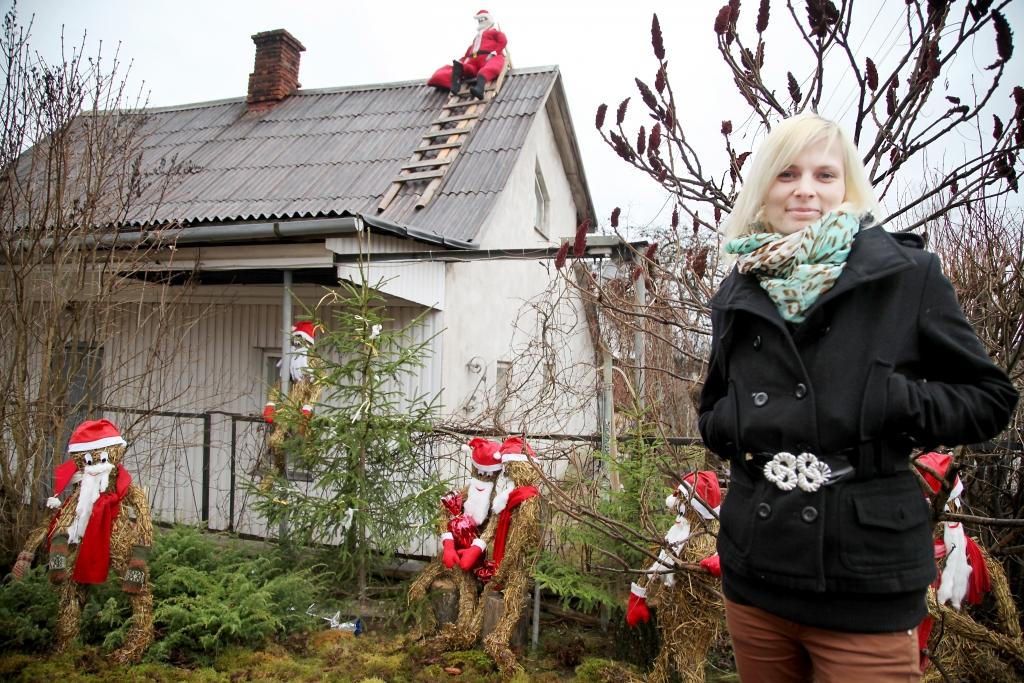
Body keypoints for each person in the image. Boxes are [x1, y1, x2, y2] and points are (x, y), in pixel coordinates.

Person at [696, 112, 1018, 682]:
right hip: (757, 569)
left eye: (825, 175)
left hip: (865, 578)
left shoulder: (905, 275)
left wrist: (892, 402)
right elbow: (713, 409)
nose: (805, 190)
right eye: (787, 174)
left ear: (846, 187)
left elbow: (990, 398)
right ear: (763, 187)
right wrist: (735, 423)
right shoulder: (738, 288)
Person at [427, 10, 507, 99]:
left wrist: (495, 52)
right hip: (473, 63)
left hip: (487, 58)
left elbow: (503, 40)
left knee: (492, 66)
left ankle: (479, 88)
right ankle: (455, 86)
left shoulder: (494, 32)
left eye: (482, 19)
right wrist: (463, 60)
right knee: (459, 66)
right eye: (479, 20)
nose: (480, 21)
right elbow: (469, 51)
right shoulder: (476, 38)